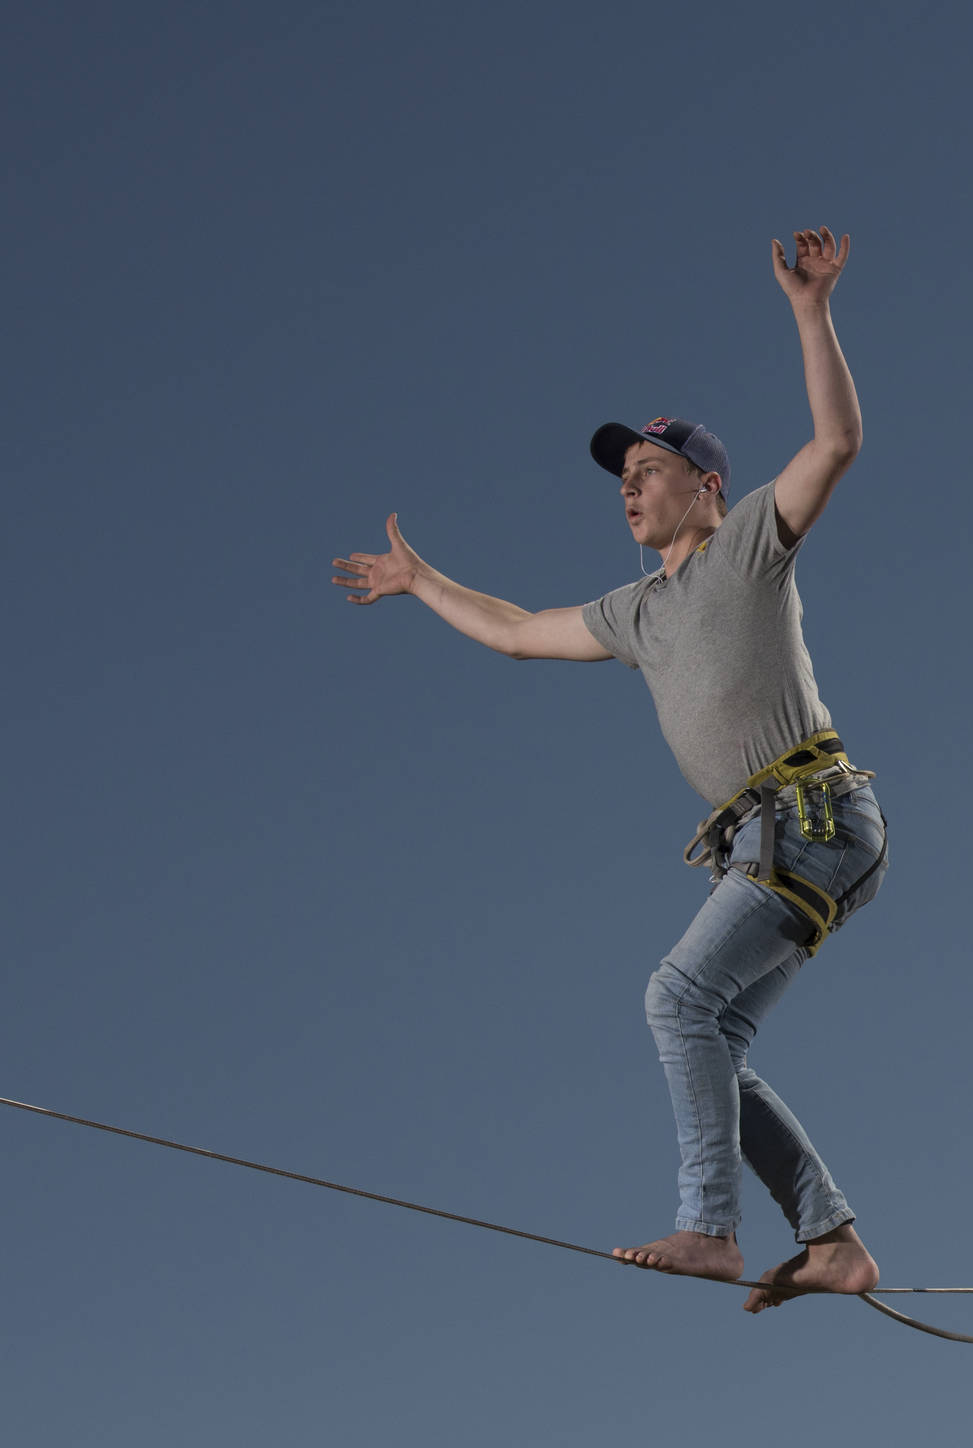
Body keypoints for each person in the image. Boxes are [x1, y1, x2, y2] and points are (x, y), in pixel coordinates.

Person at [332, 228, 880, 1314]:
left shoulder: (749, 544)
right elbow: (516, 631)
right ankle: (831, 1241)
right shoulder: (636, 613)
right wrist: (422, 579)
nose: (628, 489)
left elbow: (836, 442)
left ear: (705, 486)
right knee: (709, 1031)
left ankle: (711, 1228)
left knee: (674, 998)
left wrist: (811, 311)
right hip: (783, 840)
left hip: (813, 815)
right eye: (621, 478)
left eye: (648, 471)